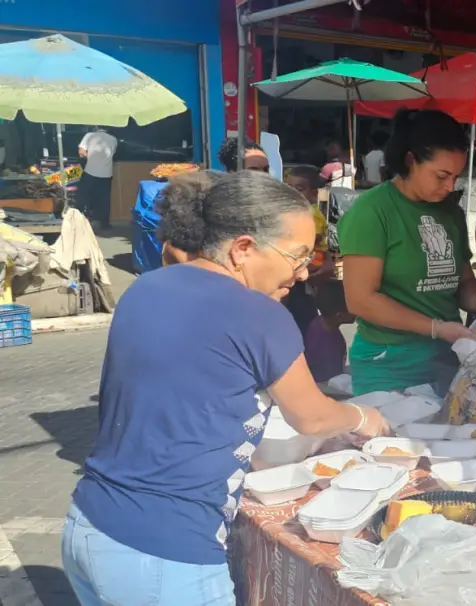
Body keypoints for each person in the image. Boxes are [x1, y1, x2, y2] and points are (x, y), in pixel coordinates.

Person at [62, 171, 390, 605]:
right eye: (297, 256)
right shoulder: (260, 314)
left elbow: (186, 396)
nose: (303, 271)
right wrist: (365, 417)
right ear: (242, 249)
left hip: (87, 525)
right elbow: (311, 416)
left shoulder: (146, 287)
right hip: (165, 553)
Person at [338, 109, 476, 395]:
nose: (450, 186)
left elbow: (463, 282)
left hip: (448, 360)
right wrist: (436, 327)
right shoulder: (372, 211)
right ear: (410, 160)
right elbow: (361, 300)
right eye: (441, 175)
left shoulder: (450, 212)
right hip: (390, 364)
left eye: (455, 177)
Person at [282, 165, 336, 333]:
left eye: (299, 189)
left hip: (310, 264)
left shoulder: (310, 214)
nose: (292, 194)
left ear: (313, 194)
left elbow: (312, 240)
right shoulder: (293, 214)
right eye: (288, 188)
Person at [306, 279, 353, 383]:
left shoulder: (317, 323)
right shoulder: (328, 349)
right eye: (354, 307)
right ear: (340, 316)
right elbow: (330, 383)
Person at [78, 127, 119, 229]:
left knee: (85, 197)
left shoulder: (89, 136)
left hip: (90, 171)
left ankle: (83, 221)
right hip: (106, 174)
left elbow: (82, 152)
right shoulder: (113, 139)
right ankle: (104, 223)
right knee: (104, 200)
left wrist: (90, 157)